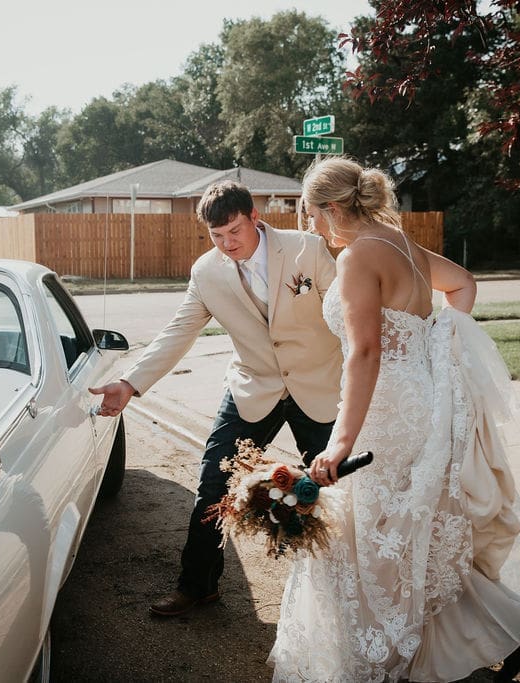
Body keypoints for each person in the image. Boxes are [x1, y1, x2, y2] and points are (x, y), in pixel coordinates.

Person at [268, 158, 520, 682]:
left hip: (385, 411)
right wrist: (437, 349)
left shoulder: (357, 257)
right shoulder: (403, 245)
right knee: (409, 535)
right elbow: (463, 285)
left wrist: (340, 443)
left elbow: (365, 351)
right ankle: (494, 628)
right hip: (422, 405)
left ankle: (382, 658)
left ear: (333, 208)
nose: (311, 225)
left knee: (367, 540)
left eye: (310, 213)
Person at [90, 180, 343, 617]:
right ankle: (197, 586)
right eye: (217, 236)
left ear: (255, 218)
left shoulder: (307, 249)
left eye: (234, 232)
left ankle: (342, 594)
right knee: (212, 486)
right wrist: (129, 383)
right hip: (251, 386)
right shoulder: (206, 272)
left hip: (319, 385)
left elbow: (347, 318)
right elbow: (179, 330)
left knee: (337, 489)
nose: (227, 244)